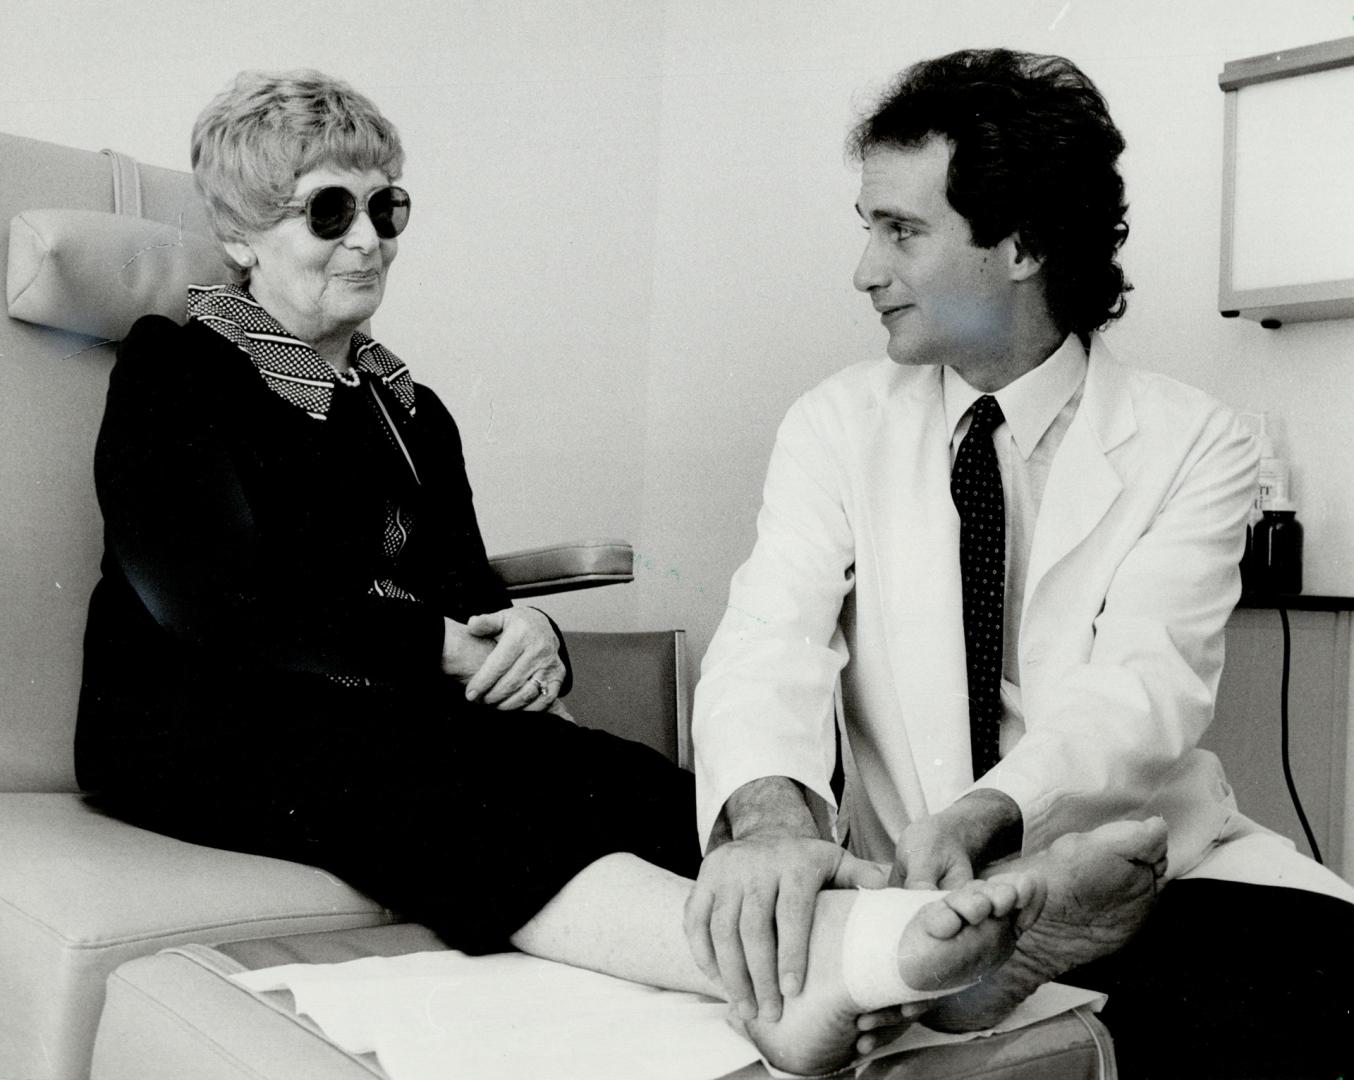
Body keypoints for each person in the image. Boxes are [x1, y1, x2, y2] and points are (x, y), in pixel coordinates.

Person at [73, 67, 1161, 1077]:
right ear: (243, 234)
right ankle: (808, 970)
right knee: (419, 784)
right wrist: (440, 646)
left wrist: (521, 637)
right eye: (329, 211)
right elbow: (206, 599)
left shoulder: (409, 409)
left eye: (387, 207)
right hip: (193, 721)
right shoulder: (178, 366)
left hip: (388, 704)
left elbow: (466, 591)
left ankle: (913, 917)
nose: (369, 242)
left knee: (627, 778)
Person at [689, 48, 1354, 1079]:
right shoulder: (836, 426)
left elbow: (1141, 688)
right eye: (868, 228)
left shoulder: (1194, 441)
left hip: (1151, 858)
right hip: (924, 886)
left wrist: (990, 812)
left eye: (901, 231)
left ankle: (1047, 937)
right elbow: (772, 631)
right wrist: (770, 817)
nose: (864, 270)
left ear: (1024, 244)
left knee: (1321, 986)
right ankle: (993, 970)